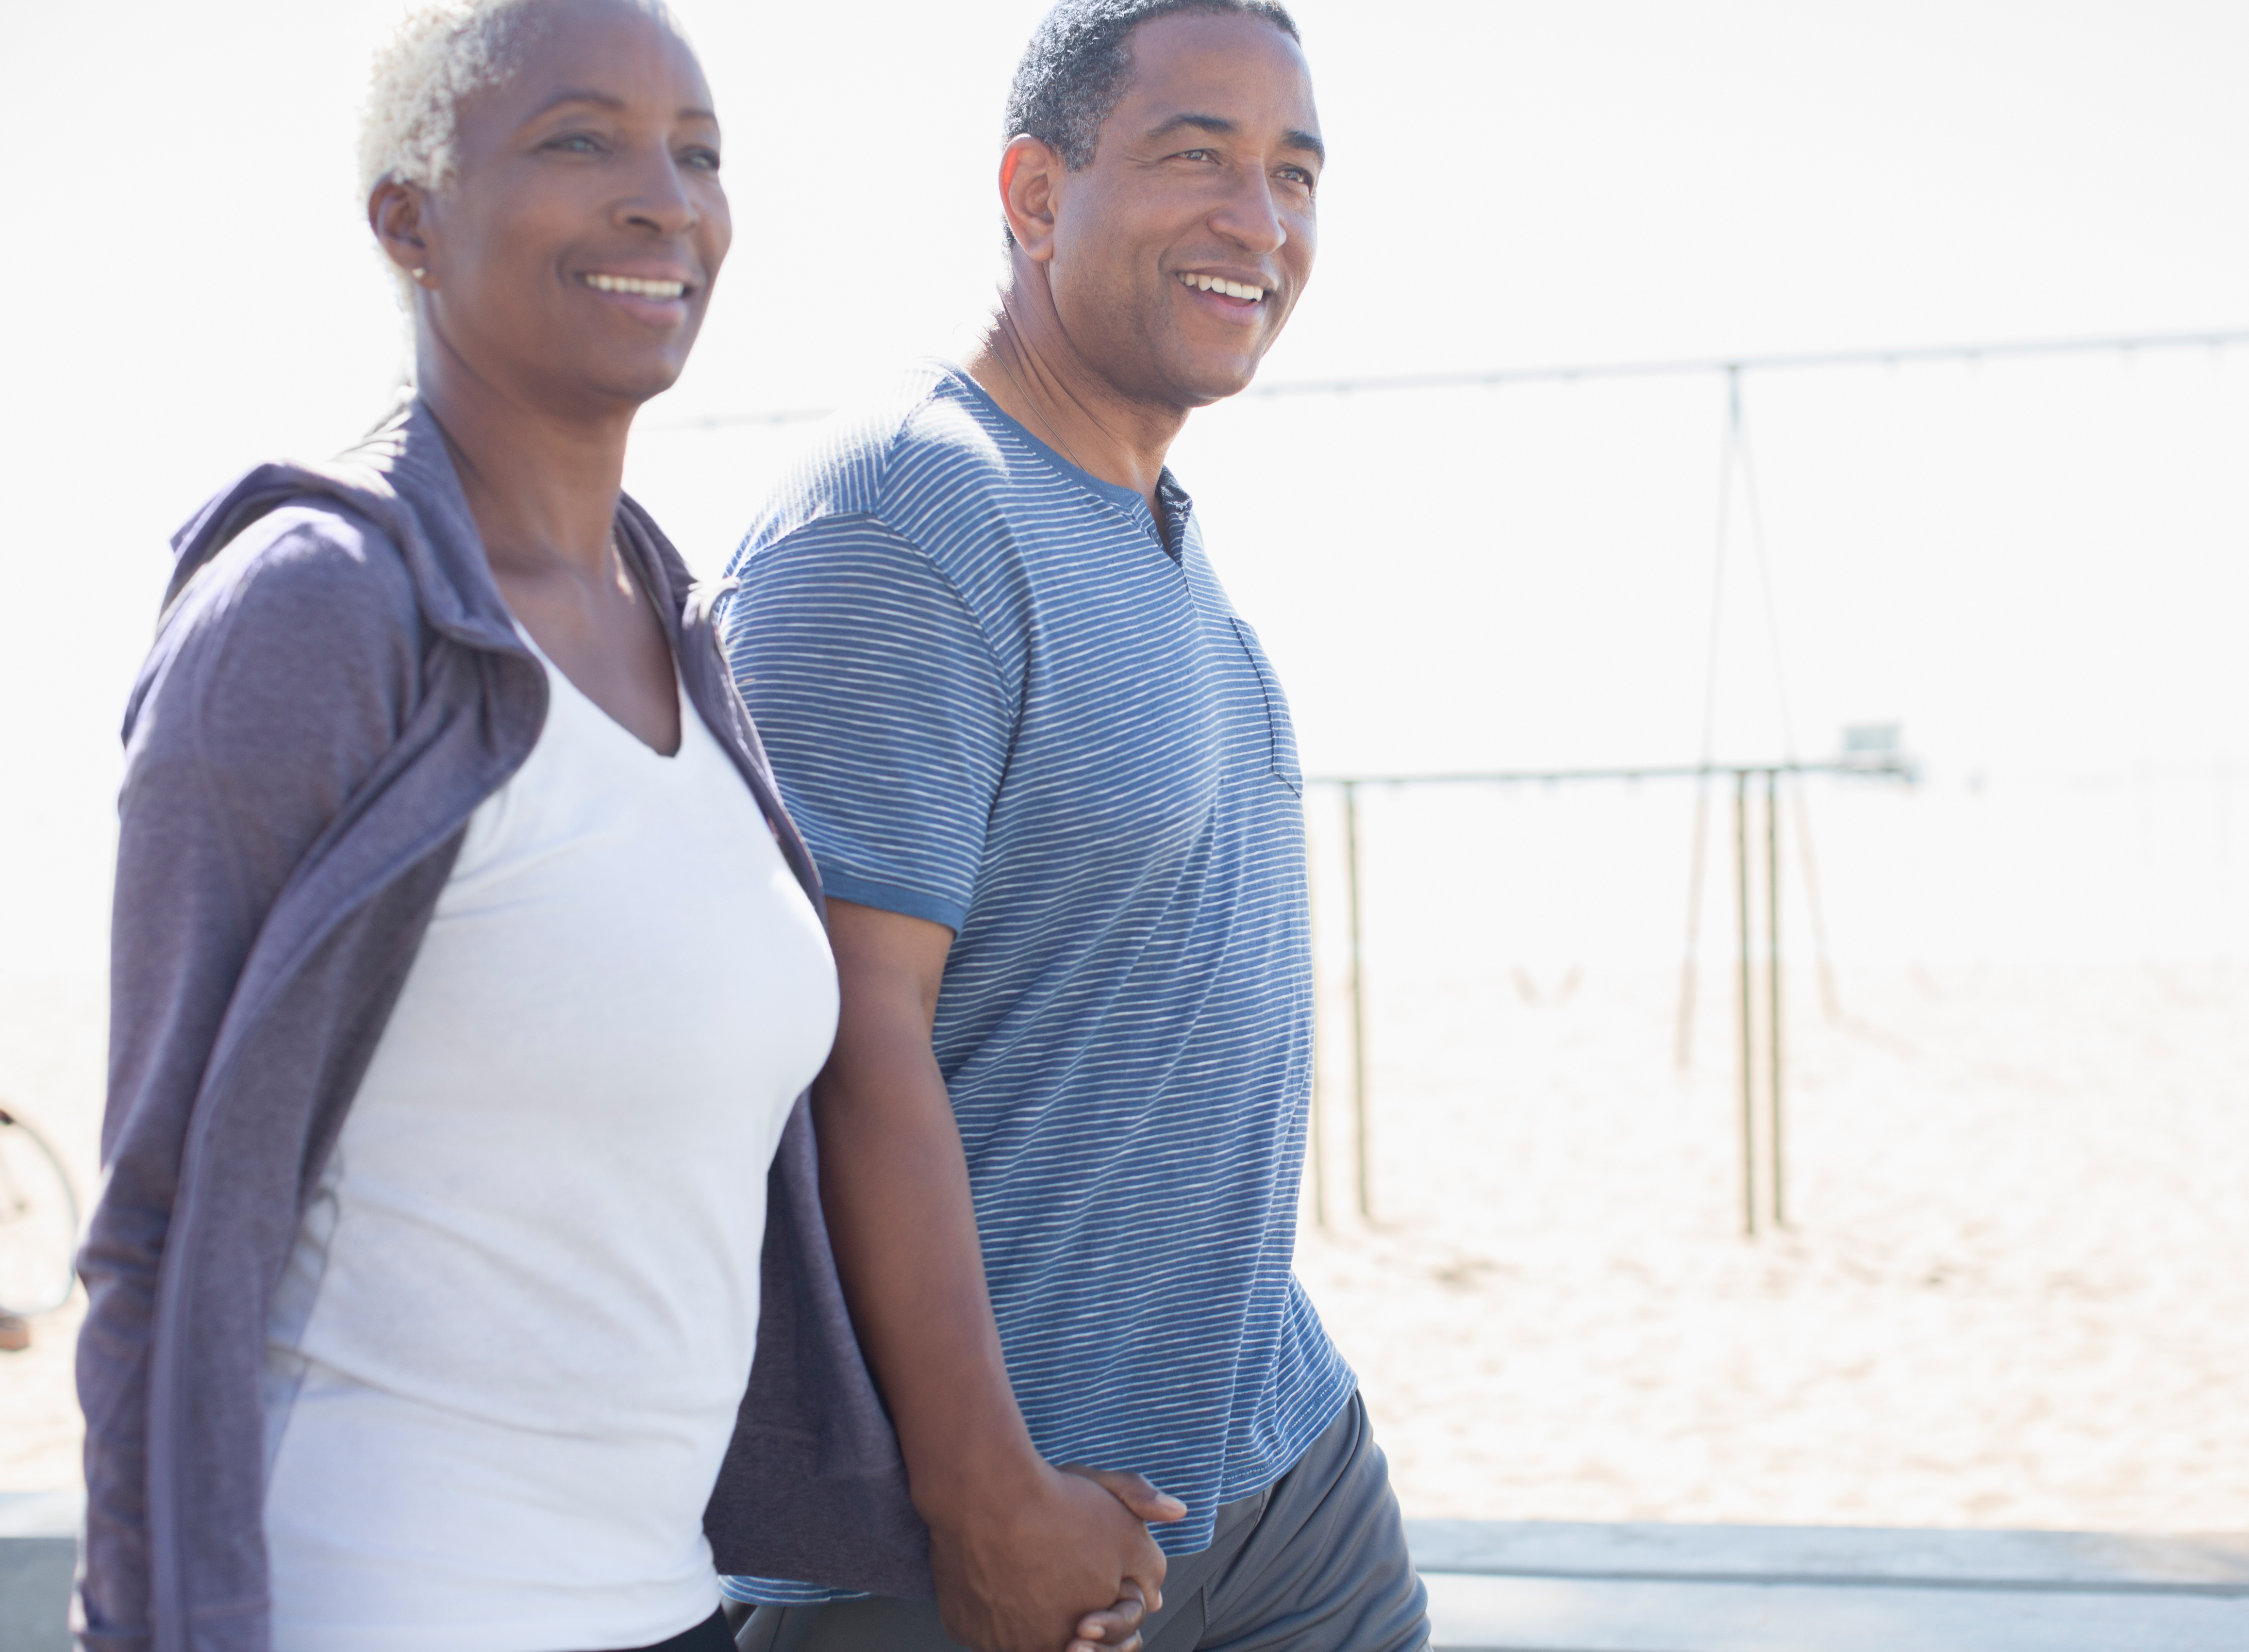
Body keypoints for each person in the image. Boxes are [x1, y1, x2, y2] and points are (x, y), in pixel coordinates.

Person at [73, 4, 993, 1649]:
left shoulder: (679, 622)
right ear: (407, 216)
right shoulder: (318, 611)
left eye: (697, 152)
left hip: (664, 1604)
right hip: (376, 1601)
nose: (663, 198)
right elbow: (151, 1222)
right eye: (581, 140)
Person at [717, 4, 1432, 1650]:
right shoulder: (908, 517)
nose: (1258, 221)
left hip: (1279, 1472)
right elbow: (840, 1037)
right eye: (1197, 159)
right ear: (1033, 196)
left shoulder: (1156, 528)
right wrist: (983, 1499)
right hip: (982, 1536)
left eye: (1293, 174)